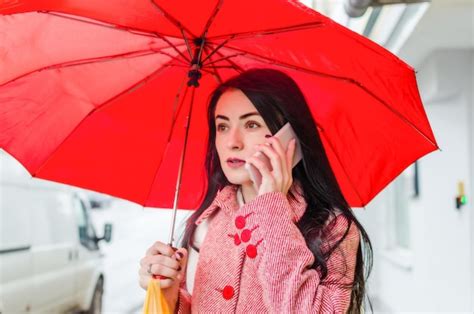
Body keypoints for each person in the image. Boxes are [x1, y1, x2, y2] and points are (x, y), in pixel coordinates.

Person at [138, 68, 374, 313]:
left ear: (289, 136)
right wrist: (171, 295)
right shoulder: (207, 221)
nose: (232, 142)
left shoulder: (334, 228)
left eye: (251, 124)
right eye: (222, 127)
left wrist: (272, 206)